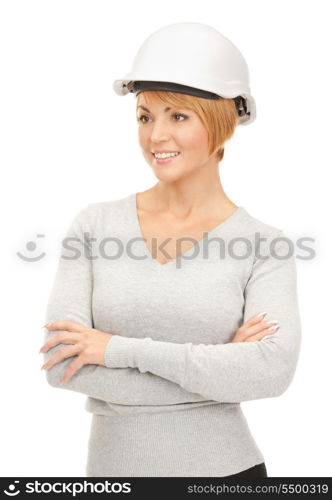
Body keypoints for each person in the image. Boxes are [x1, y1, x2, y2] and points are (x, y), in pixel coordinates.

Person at [40, 22, 301, 478]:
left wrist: (114, 349)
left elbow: (271, 372)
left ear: (221, 121)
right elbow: (63, 366)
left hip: (230, 477)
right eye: (145, 116)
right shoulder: (95, 226)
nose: (155, 135)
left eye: (178, 116)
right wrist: (218, 372)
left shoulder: (265, 246)